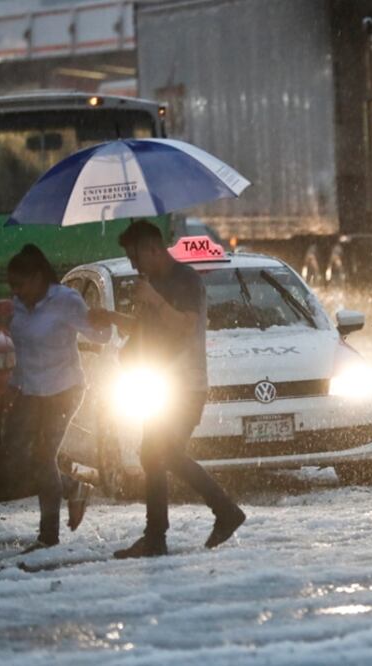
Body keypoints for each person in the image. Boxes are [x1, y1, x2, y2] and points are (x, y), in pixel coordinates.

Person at [89, 220, 245, 559]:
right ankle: (158, 536)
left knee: (163, 453)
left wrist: (155, 300)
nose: (134, 265)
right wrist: (113, 317)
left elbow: (186, 325)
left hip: (185, 384)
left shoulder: (185, 280)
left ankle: (223, 511)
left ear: (153, 249)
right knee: (153, 455)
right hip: (158, 381)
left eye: (135, 257)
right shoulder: (153, 283)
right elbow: (149, 328)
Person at [2, 244, 110, 552]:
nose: (16, 291)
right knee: (17, 455)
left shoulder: (66, 300)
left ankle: (48, 536)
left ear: (37, 278)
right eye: (13, 286)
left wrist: (104, 319)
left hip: (64, 389)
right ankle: (74, 487)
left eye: (20, 285)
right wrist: (12, 384)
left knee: (43, 457)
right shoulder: (21, 305)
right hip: (29, 390)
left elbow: (100, 336)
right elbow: (23, 349)